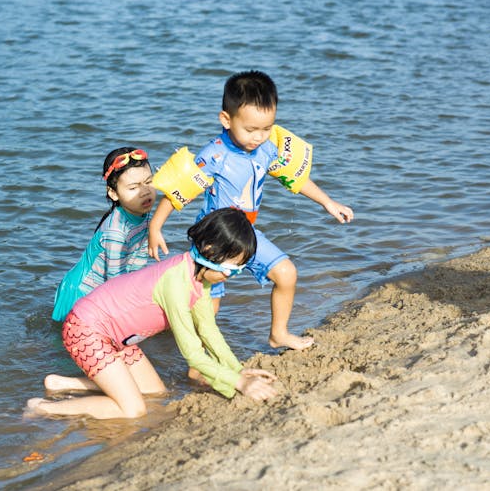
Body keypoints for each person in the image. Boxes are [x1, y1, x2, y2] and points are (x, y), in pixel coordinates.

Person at [148, 70, 354, 351]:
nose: (259, 137)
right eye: (250, 129)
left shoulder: (266, 151)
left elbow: (294, 177)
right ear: (226, 119)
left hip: (246, 233)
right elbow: (179, 192)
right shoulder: (214, 155)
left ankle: (278, 334)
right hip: (215, 238)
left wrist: (328, 202)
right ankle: (191, 358)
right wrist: (155, 227)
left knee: (286, 273)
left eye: (266, 128)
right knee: (210, 307)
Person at [26, 208, 278, 420]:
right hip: (86, 330)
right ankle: (42, 407)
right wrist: (240, 384)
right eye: (230, 269)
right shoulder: (177, 282)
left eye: (237, 270)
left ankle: (61, 384)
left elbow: (209, 330)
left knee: (156, 393)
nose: (229, 276)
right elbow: (192, 354)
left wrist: (237, 371)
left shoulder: (200, 279)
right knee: (133, 410)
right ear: (210, 250)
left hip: (117, 338)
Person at [51, 147, 156, 322]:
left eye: (149, 182)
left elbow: (138, 262)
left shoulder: (141, 214)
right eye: (133, 187)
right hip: (81, 294)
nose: (144, 191)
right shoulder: (116, 232)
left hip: (103, 292)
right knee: (68, 344)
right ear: (113, 193)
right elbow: (115, 281)